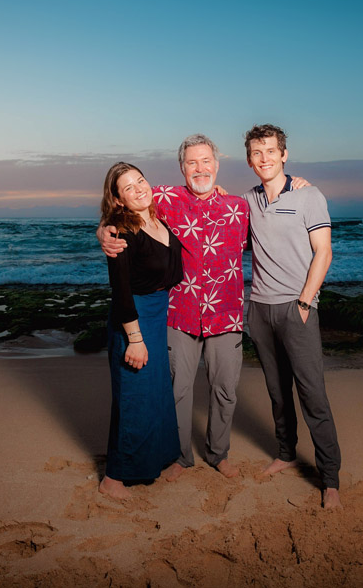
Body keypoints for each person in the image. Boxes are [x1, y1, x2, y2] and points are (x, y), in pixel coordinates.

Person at [99, 135, 250, 480]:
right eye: (192, 163)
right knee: (176, 390)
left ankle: (218, 453)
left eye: (206, 161)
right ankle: (179, 457)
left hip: (226, 312)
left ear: (217, 164)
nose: (200, 169)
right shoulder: (162, 198)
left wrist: (295, 186)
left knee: (225, 389)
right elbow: (121, 213)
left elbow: (273, 238)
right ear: (182, 168)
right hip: (179, 312)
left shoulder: (239, 208)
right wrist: (104, 233)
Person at [242, 124, 342, 509]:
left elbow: (324, 252)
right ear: (249, 160)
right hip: (260, 310)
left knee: (312, 394)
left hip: (295, 308)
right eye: (256, 152)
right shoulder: (247, 201)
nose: (264, 158)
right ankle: (286, 453)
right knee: (277, 392)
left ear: (284, 154)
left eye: (270, 151)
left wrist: (304, 302)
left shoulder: (309, 195)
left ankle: (330, 478)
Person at [98, 162, 182, 500]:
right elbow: (121, 291)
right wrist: (134, 339)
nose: (139, 189)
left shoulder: (158, 219)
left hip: (157, 315)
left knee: (157, 395)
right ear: (118, 200)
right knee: (133, 399)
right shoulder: (120, 231)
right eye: (128, 187)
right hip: (133, 319)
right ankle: (114, 478)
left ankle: (157, 461)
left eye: (141, 180)